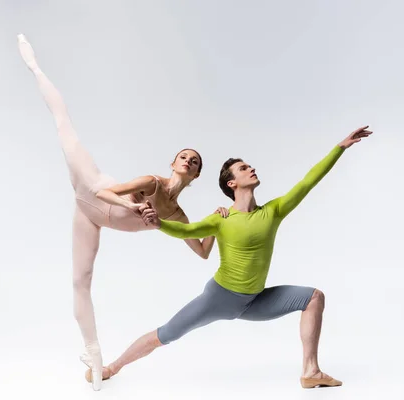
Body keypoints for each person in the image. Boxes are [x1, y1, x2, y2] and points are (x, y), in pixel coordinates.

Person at [16, 34, 228, 391]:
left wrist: (219, 224)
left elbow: (203, 252)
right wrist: (133, 204)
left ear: (196, 175)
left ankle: (93, 352)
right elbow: (104, 191)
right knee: (63, 123)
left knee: (80, 281)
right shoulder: (152, 182)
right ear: (173, 162)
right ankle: (35, 65)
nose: (188, 160)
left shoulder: (176, 216)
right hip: (90, 185)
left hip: (90, 217)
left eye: (195, 161)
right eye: (184, 156)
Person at [96, 126, 373, 389]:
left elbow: (308, 181)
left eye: (250, 166)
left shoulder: (274, 210)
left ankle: (311, 372)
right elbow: (187, 230)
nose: (251, 169)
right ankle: (112, 368)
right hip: (219, 298)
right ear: (232, 182)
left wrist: (340, 147)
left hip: (255, 301)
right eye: (244, 168)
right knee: (166, 334)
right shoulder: (221, 219)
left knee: (313, 297)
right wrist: (159, 223)